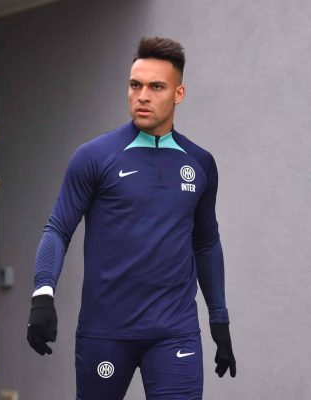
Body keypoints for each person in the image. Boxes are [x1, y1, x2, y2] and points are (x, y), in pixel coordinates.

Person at [27, 36, 236, 399]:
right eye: (135, 85)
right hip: (105, 333)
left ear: (179, 94)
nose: (142, 95)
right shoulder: (94, 157)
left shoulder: (200, 164)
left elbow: (205, 243)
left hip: (175, 333)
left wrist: (219, 319)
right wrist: (43, 295)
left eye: (156, 87)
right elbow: (58, 229)